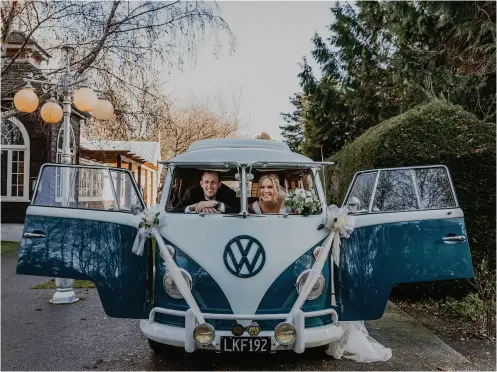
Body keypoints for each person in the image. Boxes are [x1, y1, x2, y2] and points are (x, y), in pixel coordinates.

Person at [172, 170, 239, 214]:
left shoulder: (228, 193)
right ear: (201, 184)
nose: (209, 186)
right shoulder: (191, 192)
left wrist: (217, 204)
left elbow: (238, 210)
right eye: (206, 182)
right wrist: (194, 207)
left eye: (213, 182)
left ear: (219, 184)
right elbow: (175, 211)